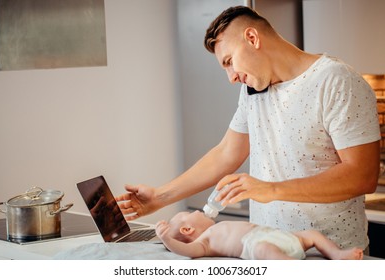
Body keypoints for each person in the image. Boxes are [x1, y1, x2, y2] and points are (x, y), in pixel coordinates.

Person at [116, 6, 380, 250]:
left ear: (252, 38)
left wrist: (271, 189)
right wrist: (159, 197)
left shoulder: (336, 82)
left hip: (330, 256)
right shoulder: (252, 89)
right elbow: (227, 153)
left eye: (229, 61)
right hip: (264, 250)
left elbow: (362, 175)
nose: (231, 77)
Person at [155, 210, 364, 260]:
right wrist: (167, 239)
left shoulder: (216, 227)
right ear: (187, 230)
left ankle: (337, 254)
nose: (199, 211)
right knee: (263, 249)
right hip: (257, 244)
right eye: (192, 213)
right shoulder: (204, 242)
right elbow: (186, 251)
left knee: (311, 234)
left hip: (275, 235)